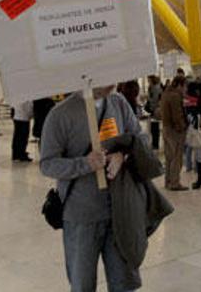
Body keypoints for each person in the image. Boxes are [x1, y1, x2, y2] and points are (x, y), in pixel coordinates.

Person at [39, 85, 147, 292]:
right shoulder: (60, 114)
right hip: (81, 216)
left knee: (124, 282)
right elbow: (47, 164)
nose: (112, 83)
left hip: (120, 211)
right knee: (82, 283)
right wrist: (84, 164)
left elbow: (140, 139)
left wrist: (122, 155)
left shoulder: (118, 103)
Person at [160, 75, 189, 191]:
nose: (185, 89)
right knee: (177, 158)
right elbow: (177, 115)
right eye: (184, 86)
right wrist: (182, 127)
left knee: (169, 158)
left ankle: (168, 181)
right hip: (175, 131)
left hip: (166, 128)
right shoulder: (175, 96)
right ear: (179, 85)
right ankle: (175, 183)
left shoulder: (165, 94)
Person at [144, 75, 162, 150]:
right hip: (153, 110)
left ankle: (155, 144)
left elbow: (154, 100)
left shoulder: (155, 88)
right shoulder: (153, 88)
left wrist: (147, 97)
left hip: (155, 110)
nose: (148, 82)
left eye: (149, 80)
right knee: (153, 128)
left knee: (155, 128)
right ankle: (154, 144)